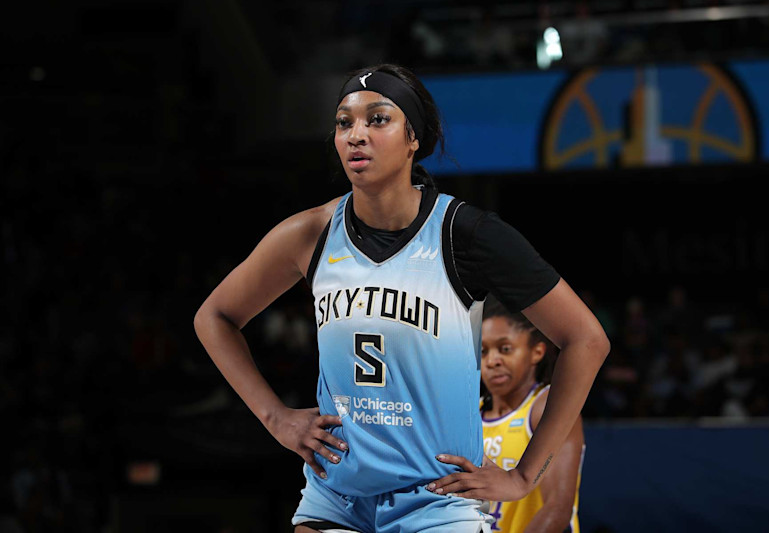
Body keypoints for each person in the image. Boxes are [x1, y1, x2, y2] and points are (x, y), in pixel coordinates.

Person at [193, 63, 609, 532]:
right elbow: (215, 316)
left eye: (377, 119)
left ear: (414, 138)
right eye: (344, 121)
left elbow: (586, 340)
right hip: (337, 494)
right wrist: (275, 418)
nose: (355, 134)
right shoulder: (309, 233)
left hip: (435, 500)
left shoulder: (465, 234)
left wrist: (526, 475)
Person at [451, 295, 585, 532]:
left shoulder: (544, 406)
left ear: (537, 351)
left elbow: (557, 509)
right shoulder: (470, 414)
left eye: (505, 349)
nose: (492, 361)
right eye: (483, 352)